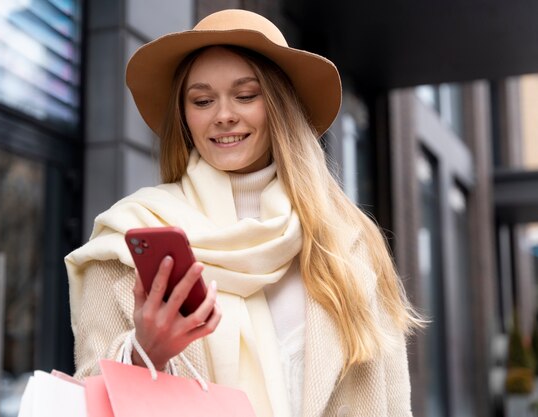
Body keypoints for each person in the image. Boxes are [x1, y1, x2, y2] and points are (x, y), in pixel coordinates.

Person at [65, 8, 423, 417]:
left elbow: (393, 402)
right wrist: (144, 354)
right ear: (185, 115)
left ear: (279, 106)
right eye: (202, 100)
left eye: (246, 95)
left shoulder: (348, 240)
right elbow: (86, 397)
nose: (223, 115)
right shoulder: (129, 235)